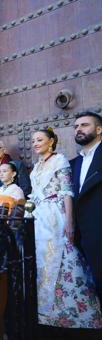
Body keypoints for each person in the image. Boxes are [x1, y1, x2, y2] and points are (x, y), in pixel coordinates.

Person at [29, 128, 101, 328]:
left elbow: (67, 192)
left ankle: (71, 318)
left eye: (40, 139)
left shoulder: (59, 160)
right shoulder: (36, 167)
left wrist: (70, 222)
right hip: (38, 217)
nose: (35, 143)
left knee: (60, 259)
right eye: (33, 140)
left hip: (55, 216)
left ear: (51, 141)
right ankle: (43, 315)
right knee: (40, 262)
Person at [70, 110, 102, 303]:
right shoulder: (74, 163)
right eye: (76, 127)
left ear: (99, 129)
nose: (79, 129)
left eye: (84, 125)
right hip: (85, 236)